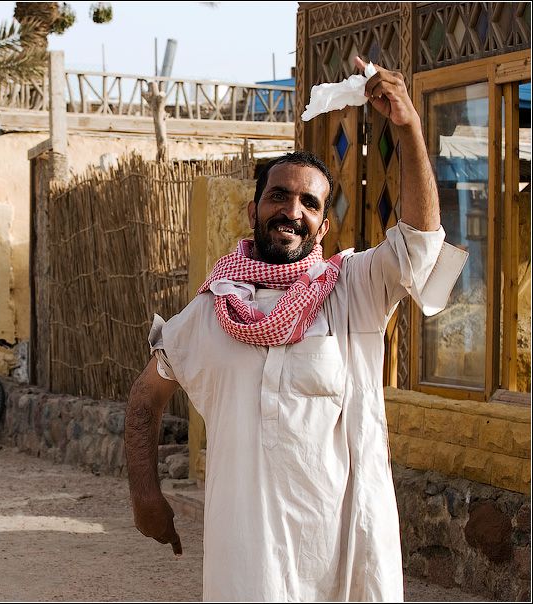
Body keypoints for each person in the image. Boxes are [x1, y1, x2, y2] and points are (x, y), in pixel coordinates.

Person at [124, 58, 468, 601]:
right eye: (279, 195)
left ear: (323, 225)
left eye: (309, 202)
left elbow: (420, 244)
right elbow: (145, 398)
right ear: (253, 210)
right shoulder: (210, 312)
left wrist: (408, 129)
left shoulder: (353, 289)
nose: (292, 210)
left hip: (344, 563)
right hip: (246, 571)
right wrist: (145, 496)